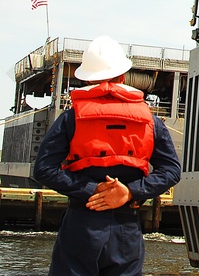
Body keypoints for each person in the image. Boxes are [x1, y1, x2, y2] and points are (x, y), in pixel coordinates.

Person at [33, 36, 181, 276]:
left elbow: (43, 169)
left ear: (88, 79)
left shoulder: (71, 118)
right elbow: (172, 171)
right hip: (126, 230)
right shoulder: (150, 121)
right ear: (123, 77)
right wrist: (130, 192)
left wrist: (92, 189)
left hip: (82, 225)